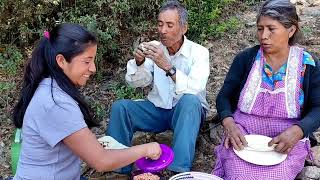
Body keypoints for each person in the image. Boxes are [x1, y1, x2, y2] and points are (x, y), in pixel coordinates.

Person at [12, 23, 161, 180]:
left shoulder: (51, 88)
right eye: (86, 61)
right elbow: (101, 161)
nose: (93, 68)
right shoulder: (55, 103)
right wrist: (146, 149)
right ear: (61, 61)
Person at [212, 0, 320, 179]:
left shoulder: (308, 65)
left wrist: (299, 130)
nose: (263, 35)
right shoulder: (245, 59)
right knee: (239, 173)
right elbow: (224, 96)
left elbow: (318, 108)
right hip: (243, 137)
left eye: (271, 29)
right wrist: (229, 124)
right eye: (260, 28)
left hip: (286, 139)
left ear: (291, 30)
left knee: (278, 175)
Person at [106, 1, 210, 174]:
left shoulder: (199, 52)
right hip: (158, 109)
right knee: (121, 107)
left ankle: (178, 171)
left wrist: (168, 67)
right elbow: (136, 83)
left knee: (191, 100)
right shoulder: (154, 48)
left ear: (184, 28)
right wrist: (139, 62)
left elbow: (196, 88)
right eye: (160, 24)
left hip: (186, 114)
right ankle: (117, 166)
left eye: (170, 25)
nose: (163, 30)